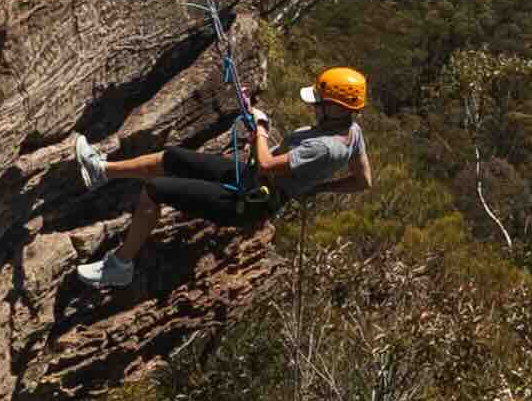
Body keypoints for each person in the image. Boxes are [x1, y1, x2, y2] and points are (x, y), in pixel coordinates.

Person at [63, 66, 373, 291]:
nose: (315, 105)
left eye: (320, 101)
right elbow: (363, 180)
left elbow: (266, 163)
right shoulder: (352, 132)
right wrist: (315, 188)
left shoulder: (324, 147)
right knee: (173, 157)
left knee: (155, 190)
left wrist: (262, 130)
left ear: (338, 107)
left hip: (250, 200)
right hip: (251, 179)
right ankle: (101, 171)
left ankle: (120, 266)